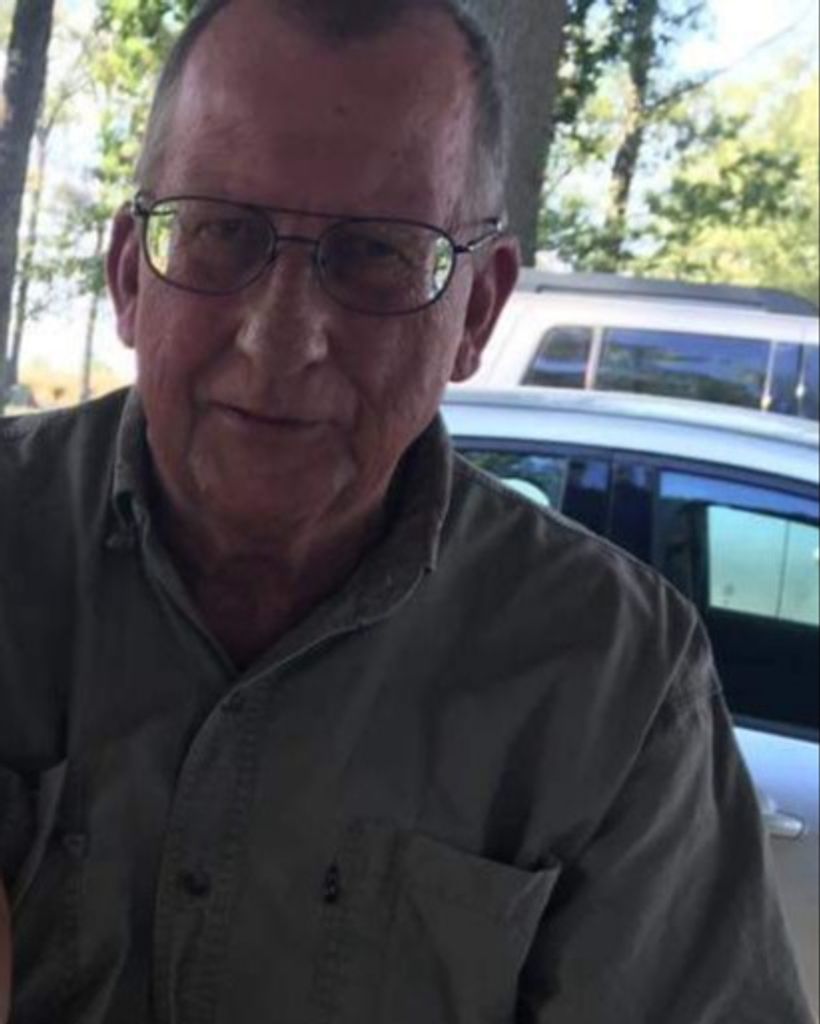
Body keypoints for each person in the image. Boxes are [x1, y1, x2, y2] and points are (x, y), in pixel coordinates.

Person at [0, 0, 814, 1021]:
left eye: (376, 255)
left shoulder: (613, 681)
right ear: (130, 274)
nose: (282, 338)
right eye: (220, 233)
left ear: (478, 310)